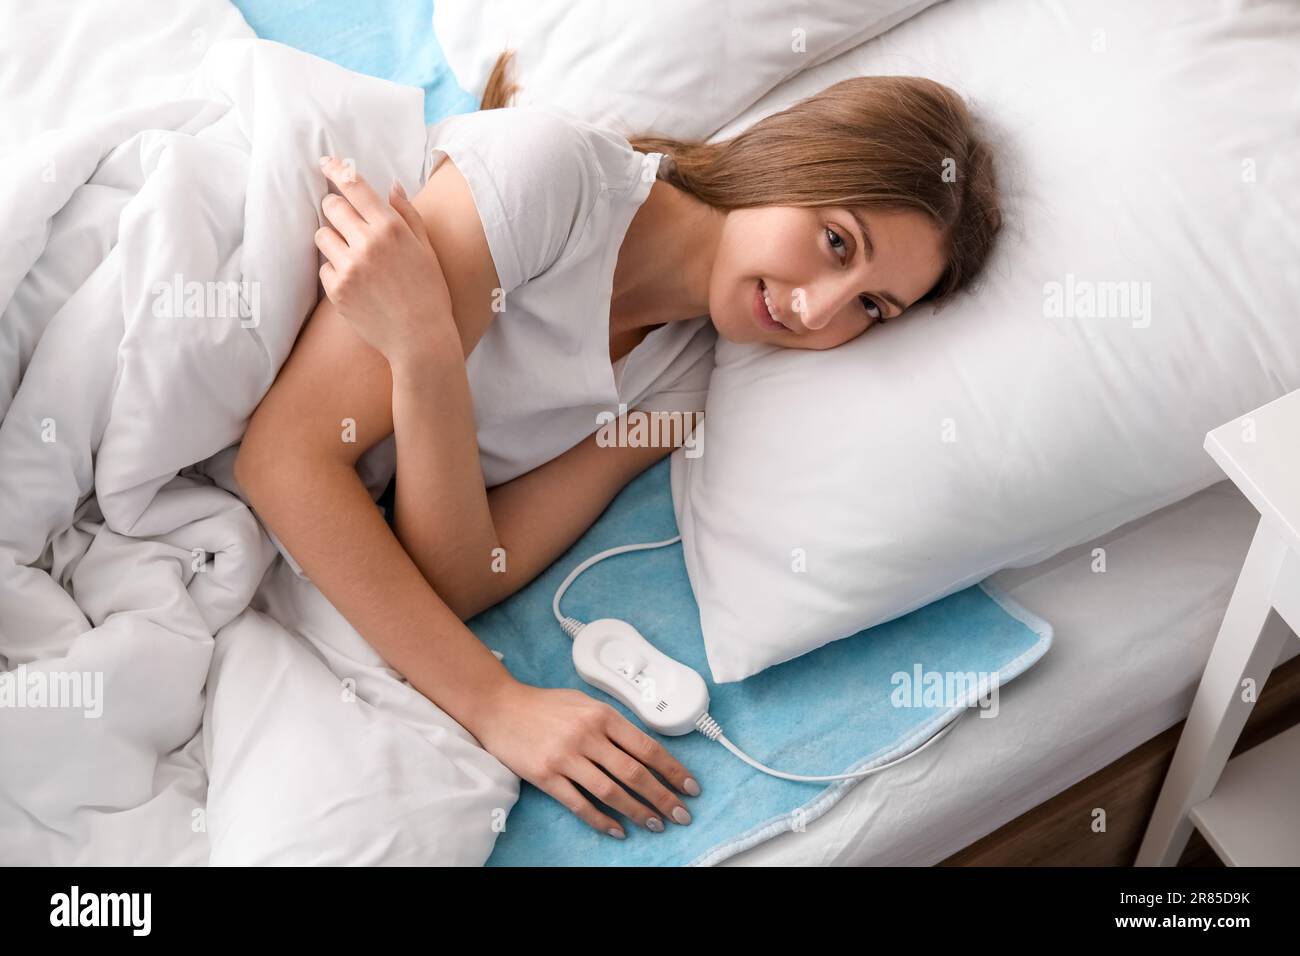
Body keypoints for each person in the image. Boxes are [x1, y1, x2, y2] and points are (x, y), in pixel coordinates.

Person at [233, 51, 1002, 846]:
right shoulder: (551, 177)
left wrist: (425, 355)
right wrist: (497, 705)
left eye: (871, 307)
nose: (818, 310)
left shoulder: (682, 385)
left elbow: (465, 575)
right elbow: (281, 460)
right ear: (789, 160)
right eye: (838, 243)